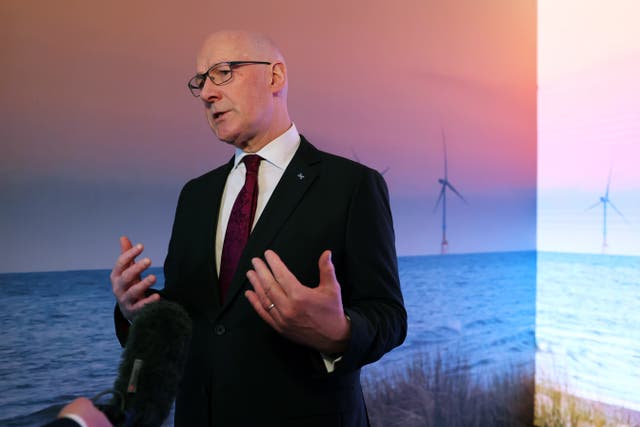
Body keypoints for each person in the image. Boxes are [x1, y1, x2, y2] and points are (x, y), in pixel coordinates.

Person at [110, 30, 406, 426]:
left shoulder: (352, 186)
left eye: (223, 73)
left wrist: (339, 332)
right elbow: (196, 320)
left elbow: (389, 315)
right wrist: (140, 312)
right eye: (200, 81)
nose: (206, 94)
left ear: (275, 78)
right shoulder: (195, 195)